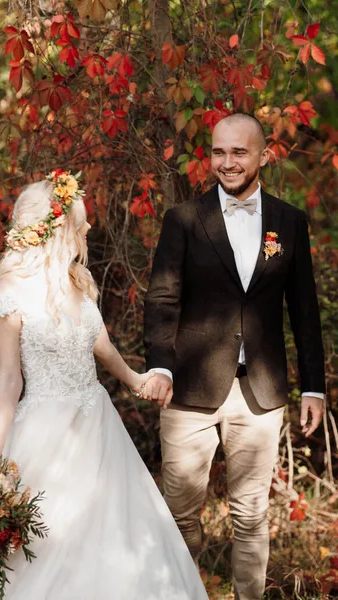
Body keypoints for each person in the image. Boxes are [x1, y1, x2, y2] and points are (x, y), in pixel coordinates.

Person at [0, 171, 208, 600]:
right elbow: (10, 380)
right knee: (44, 538)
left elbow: (101, 346)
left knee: (116, 530)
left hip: (97, 423)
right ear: (58, 227)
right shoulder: (8, 294)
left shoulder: (78, 281)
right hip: (45, 430)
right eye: (81, 220)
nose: (88, 228)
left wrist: (139, 379)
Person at [143, 114, 325, 600]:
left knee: (251, 515)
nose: (227, 163)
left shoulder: (289, 221)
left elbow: (303, 308)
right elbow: (162, 298)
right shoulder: (183, 219)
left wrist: (313, 386)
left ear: (264, 155)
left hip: (260, 392)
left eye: (239, 152)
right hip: (189, 390)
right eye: (219, 152)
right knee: (181, 517)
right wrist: (160, 364)